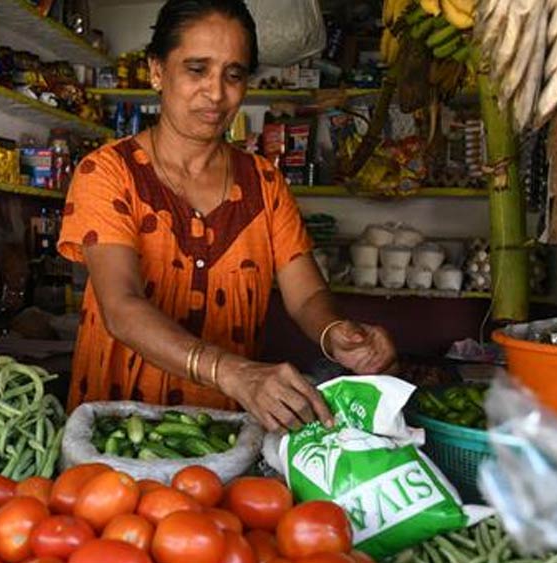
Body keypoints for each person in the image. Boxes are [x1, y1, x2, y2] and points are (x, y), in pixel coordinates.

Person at [58, 0, 397, 432]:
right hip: (116, 432)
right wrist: (233, 372)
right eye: (197, 70)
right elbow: (122, 306)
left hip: (225, 434)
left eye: (233, 75)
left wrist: (336, 335)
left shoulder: (265, 184)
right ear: (157, 71)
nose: (216, 93)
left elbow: (307, 296)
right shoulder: (107, 173)